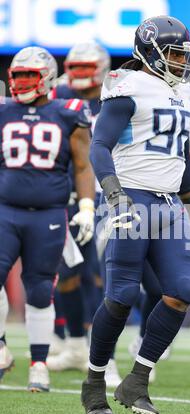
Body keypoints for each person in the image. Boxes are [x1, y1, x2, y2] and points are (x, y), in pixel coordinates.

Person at [81, 15, 190, 414]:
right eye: (173, 53)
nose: (179, 62)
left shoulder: (184, 91)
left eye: (182, 55)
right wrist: (113, 194)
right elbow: (99, 146)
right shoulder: (127, 83)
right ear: (150, 51)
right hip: (131, 197)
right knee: (121, 297)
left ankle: (137, 379)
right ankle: (95, 380)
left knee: (182, 290)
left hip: (170, 203)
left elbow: (180, 155)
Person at [0, 46, 94, 391]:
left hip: (50, 214)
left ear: (48, 78)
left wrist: (86, 206)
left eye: (30, 76)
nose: (22, 82)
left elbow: (83, 165)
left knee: (40, 289)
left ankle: (38, 363)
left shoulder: (69, 112)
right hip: (5, 210)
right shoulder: (3, 111)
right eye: (18, 75)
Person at [46, 41, 121, 387]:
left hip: (108, 193)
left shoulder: (118, 95)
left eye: (84, 66)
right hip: (68, 194)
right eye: (73, 67)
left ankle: (107, 356)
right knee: (69, 271)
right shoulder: (57, 95)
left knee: (103, 272)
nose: (77, 74)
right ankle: (76, 345)